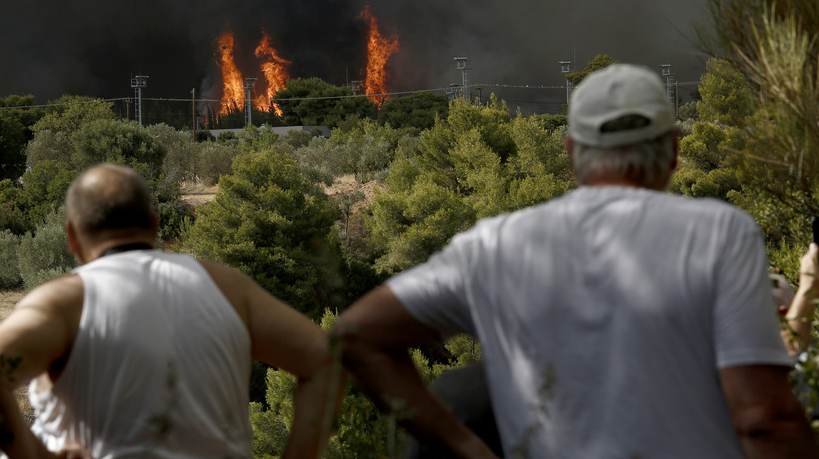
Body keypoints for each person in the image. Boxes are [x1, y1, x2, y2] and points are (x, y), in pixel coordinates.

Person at [335, 64, 818, 458]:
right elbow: (765, 419)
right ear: (673, 150)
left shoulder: (495, 244)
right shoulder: (721, 233)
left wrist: (466, 446)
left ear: (571, 154)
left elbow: (355, 335)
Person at [0, 163, 339, 459]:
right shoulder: (229, 288)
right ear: (154, 227)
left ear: (72, 235)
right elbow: (326, 360)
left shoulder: (66, 301)